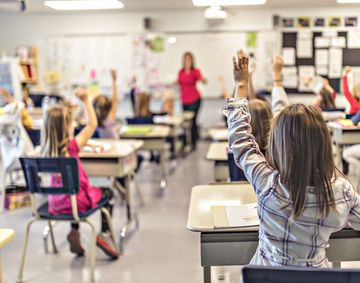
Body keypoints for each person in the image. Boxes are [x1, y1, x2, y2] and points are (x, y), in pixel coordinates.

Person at [227, 49, 360, 267]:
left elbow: (240, 140)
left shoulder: (267, 184)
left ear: (278, 144)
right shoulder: (341, 191)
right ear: (322, 144)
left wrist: (241, 84)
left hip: (265, 277)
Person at [40, 88, 120, 259]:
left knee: (70, 193)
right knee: (106, 192)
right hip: (78, 202)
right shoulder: (72, 147)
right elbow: (92, 124)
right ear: (66, 128)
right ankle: (103, 234)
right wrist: (86, 100)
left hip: (55, 205)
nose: (74, 126)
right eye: (71, 124)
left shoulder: (44, 153)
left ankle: (74, 230)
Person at [177, 52, 206, 150]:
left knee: (193, 121)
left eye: (189, 59)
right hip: (184, 100)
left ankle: (193, 143)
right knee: (184, 122)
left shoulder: (195, 71)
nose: (187, 61)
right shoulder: (181, 72)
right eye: (186, 59)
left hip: (195, 99)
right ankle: (185, 142)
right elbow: (179, 82)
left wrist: (203, 80)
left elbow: (202, 79)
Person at [93, 69, 119, 138]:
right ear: (109, 106)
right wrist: (114, 80)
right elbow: (115, 99)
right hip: (114, 143)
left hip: (103, 143)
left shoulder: (95, 120)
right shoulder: (110, 118)